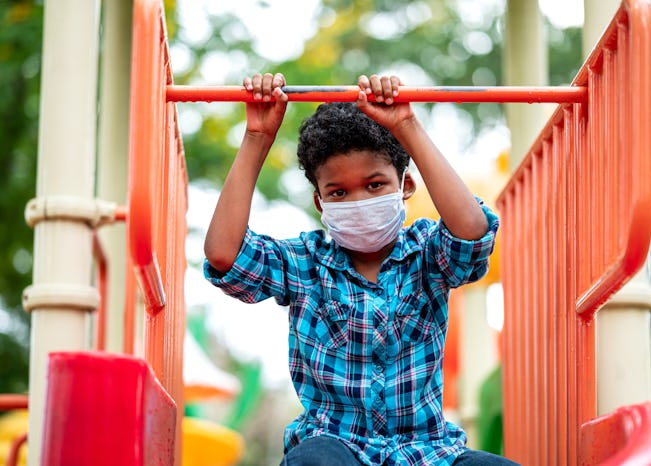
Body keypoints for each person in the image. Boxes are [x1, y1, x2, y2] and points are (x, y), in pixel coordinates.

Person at [203, 72, 517, 466]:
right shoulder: (306, 263)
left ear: (405, 186)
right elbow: (224, 256)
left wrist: (407, 126)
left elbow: (471, 235)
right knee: (314, 461)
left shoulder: (427, 253)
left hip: (426, 451)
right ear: (321, 203)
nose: (358, 200)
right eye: (339, 192)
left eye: (374, 185)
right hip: (335, 445)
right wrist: (256, 138)